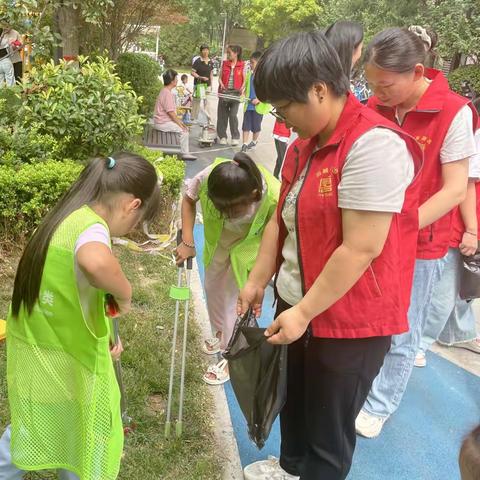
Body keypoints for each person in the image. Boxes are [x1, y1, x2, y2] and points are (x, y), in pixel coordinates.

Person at [238, 31, 422, 480]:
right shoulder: (304, 144)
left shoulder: (373, 145)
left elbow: (361, 247)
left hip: (349, 322)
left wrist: (303, 311)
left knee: (327, 434)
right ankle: (288, 467)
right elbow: (282, 219)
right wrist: (259, 278)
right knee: (295, 404)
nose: (282, 122)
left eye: (286, 109)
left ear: (320, 89)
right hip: (298, 304)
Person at [0, 152, 160, 480]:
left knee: (32, 428)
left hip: (39, 347)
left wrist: (105, 325)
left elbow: (71, 288)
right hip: (69, 360)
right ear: (132, 205)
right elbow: (96, 264)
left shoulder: (66, 217)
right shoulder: (91, 228)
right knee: (86, 436)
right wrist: (125, 293)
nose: (129, 229)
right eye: (136, 221)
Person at [356, 27, 477, 439]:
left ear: (418, 71)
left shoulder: (453, 111)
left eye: (385, 85)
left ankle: (381, 403)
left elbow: (455, 188)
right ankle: (363, 386)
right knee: (368, 315)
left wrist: (400, 227)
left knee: (405, 327)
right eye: (370, 84)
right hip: (372, 234)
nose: (377, 92)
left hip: (422, 241)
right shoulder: (376, 106)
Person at [176, 153, 279, 385]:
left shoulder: (273, 195)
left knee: (236, 303)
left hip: (250, 253)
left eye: (234, 209)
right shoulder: (208, 177)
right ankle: (222, 335)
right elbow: (189, 199)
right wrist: (187, 241)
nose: (226, 215)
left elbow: (277, 237)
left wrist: (261, 279)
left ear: (254, 195)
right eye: (220, 208)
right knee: (213, 291)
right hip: (219, 245)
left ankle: (232, 356)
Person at [415, 98, 480, 366]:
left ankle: (455, 332)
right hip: (456, 230)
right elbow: (465, 184)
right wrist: (472, 230)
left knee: (457, 292)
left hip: (464, 230)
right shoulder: (472, 131)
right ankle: (418, 343)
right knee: (439, 295)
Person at [153, 69, 197, 161]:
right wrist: (180, 124)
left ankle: (181, 150)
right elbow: (171, 113)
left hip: (161, 121)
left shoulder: (164, 91)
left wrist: (179, 122)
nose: (177, 80)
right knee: (184, 130)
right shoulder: (167, 93)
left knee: (182, 127)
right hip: (162, 122)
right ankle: (184, 153)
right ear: (172, 80)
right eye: (176, 78)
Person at [217, 45, 246, 146]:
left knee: (233, 115)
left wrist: (242, 89)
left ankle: (235, 137)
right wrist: (220, 83)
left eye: (229, 53)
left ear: (236, 53)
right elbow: (220, 77)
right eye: (227, 53)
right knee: (222, 115)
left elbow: (244, 80)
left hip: (235, 93)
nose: (228, 55)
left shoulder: (242, 65)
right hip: (224, 92)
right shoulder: (224, 64)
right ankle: (223, 136)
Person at [241, 51, 265, 153]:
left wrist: (259, 100)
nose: (250, 65)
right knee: (245, 125)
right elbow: (246, 87)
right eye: (250, 62)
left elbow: (267, 92)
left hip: (258, 107)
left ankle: (254, 141)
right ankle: (244, 144)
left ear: (259, 63)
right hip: (248, 105)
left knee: (256, 126)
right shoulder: (249, 75)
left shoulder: (264, 77)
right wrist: (243, 93)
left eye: (252, 62)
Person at [191, 44, 214, 121]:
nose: (205, 51)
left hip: (207, 86)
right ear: (201, 51)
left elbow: (211, 73)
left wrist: (211, 84)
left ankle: (208, 120)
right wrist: (200, 77)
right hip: (198, 85)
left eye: (207, 50)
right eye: (203, 50)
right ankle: (193, 119)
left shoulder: (211, 61)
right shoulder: (197, 61)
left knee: (207, 103)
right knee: (196, 102)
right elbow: (192, 73)